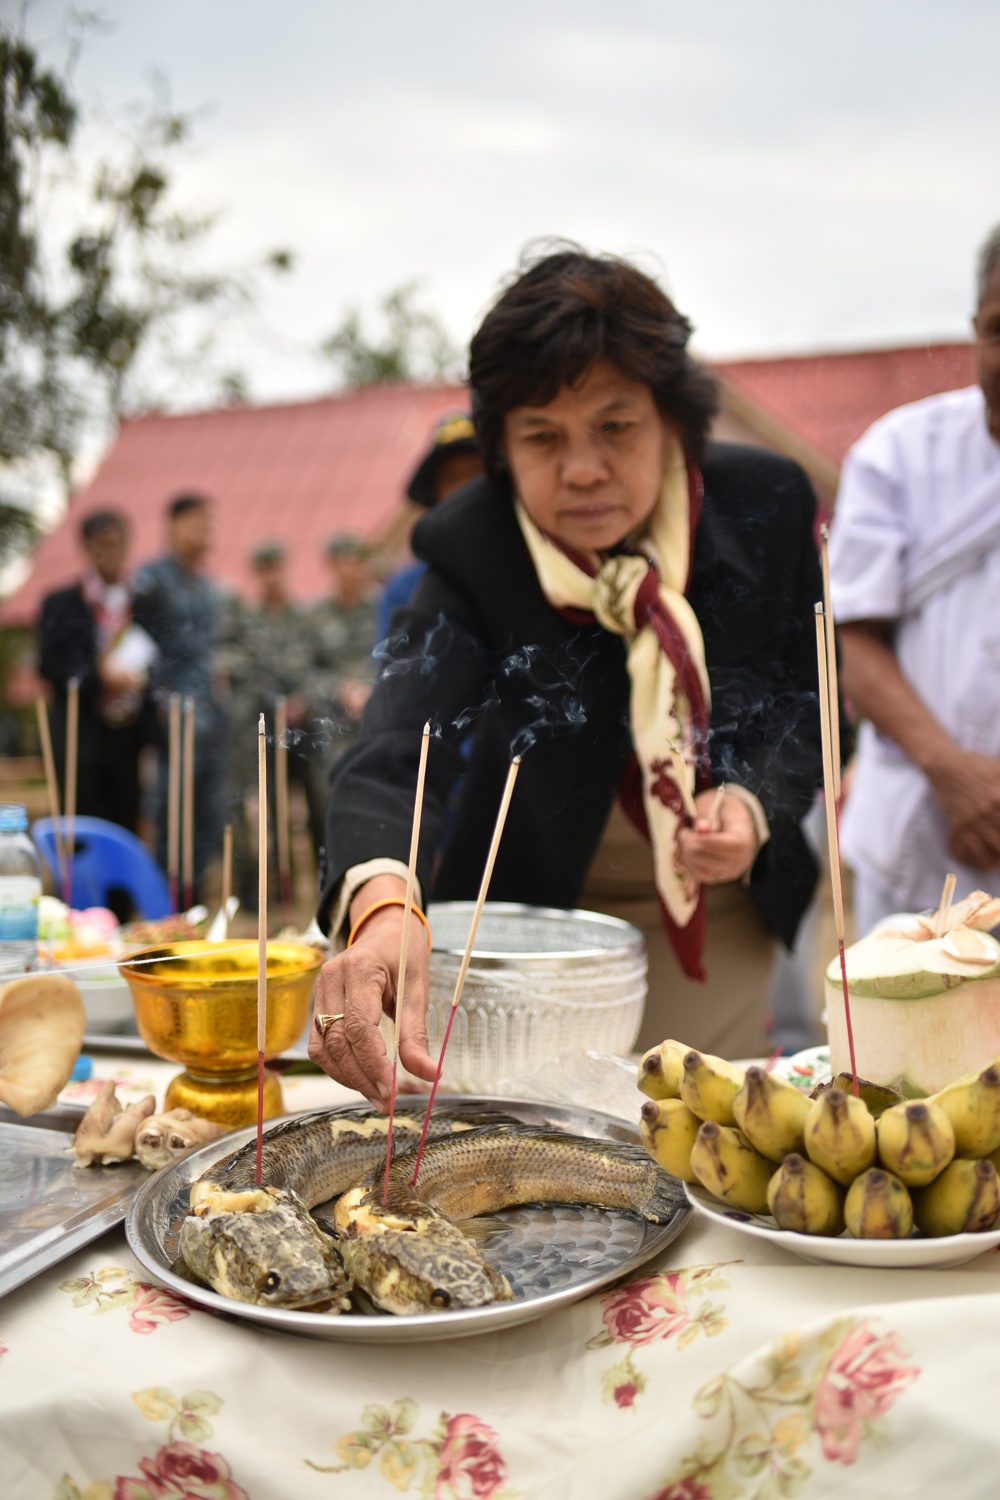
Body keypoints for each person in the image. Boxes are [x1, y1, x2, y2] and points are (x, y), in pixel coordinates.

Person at [308, 247, 825, 1107]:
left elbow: (809, 707)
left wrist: (749, 804)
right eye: (542, 437)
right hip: (537, 915)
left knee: (704, 1138)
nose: (582, 469)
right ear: (502, 448)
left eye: (615, 428)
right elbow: (400, 739)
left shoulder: (762, 508)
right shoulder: (473, 543)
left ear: (674, 424)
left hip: (718, 902)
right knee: (542, 1139)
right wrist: (384, 903)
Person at [829, 223, 1000, 935]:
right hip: (916, 828)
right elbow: (850, 641)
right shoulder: (897, 453)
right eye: (999, 330)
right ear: (973, 331)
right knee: (894, 1039)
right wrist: (953, 773)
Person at [37, 510, 155, 838]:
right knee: (82, 829)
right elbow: (51, 665)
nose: (110, 553)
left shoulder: (143, 602)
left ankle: (120, 892)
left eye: (118, 544)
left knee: (126, 827)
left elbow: (162, 657)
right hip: (81, 736)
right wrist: (100, 677)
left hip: (128, 739)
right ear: (86, 548)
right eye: (101, 544)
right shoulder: (62, 604)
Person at [132, 493, 226, 900]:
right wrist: (160, 697)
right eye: (198, 523)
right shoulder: (150, 580)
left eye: (210, 524)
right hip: (172, 715)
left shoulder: (208, 586)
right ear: (173, 526)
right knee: (170, 809)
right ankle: (163, 901)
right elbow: (137, 645)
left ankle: (195, 900)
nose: (206, 533)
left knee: (209, 812)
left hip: (211, 716)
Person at [222, 540, 328, 876]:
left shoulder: (307, 617)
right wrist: (271, 702)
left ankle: (323, 876)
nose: (271, 576)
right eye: (264, 569)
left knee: (317, 801)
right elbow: (233, 664)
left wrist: (303, 699)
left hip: (306, 726)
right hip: (267, 729)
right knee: (275, 804)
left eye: (276, 568)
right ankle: (283, 880)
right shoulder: (246, 620)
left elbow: (323, 665)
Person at [375, 412, 484, 643]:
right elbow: (395, 670)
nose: (466, 490)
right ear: (434, 495)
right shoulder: (406, 590)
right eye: (451, 478)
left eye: (476, 473)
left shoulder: (544, 568)